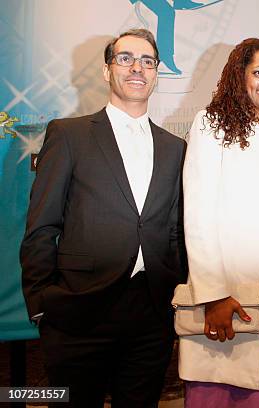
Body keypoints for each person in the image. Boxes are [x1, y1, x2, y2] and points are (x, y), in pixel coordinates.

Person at [20, 29, 185, 407]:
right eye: (125, 58)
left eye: (147, 61)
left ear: (157, 73)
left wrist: (173, 293)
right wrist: (43, 303)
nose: (137, 68)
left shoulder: (176, 147)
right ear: (107, 70)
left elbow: (173, 230)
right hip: (79, 311)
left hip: (150, 314)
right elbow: (42, 225)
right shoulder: (69, 134)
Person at [179, 38, 259, 408]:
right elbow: (198, 211)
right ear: (241, 75)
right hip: (232, 272)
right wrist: (213, 292)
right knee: (226, 375)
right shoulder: (212, 123)